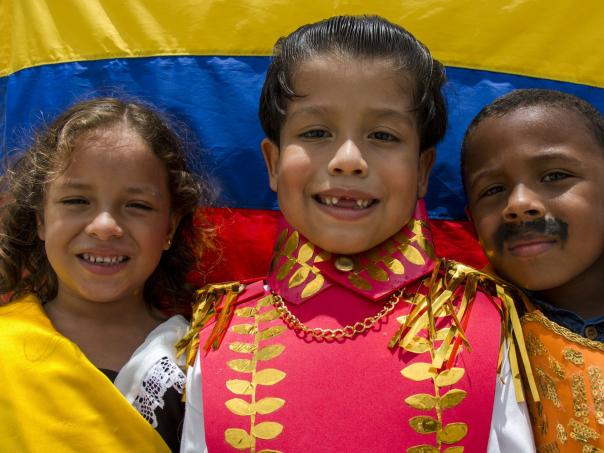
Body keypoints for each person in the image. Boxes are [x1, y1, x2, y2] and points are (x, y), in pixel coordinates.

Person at [178, 16, 535, 452]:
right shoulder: (220, 333)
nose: (348, 159)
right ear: (272, 163)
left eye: (382, 135)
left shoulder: (478, 323)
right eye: (316, 132)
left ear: (422, 171)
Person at [0, 98, 209, 452]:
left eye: (138, 206)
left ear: (170, 228)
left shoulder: (201, 361)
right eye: (77, 201)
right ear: (40, 219)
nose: (104, 226)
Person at [462, 88, 604, 452]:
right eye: (493, 189)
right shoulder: (458, 338)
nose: (520, 203)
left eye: (555, 175)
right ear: (473, 222)